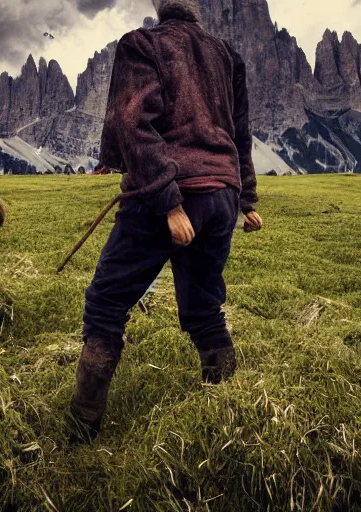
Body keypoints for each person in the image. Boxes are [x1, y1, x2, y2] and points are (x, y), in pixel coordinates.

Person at [68, 0, 262, 443]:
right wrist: (246, 200)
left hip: (171, 195)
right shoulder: (226, 54)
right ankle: (225, 420)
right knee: (203, 308)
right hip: (221, 198)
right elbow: (240, 134)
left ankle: (81, 433)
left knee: (106, 303)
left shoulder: (143, 43)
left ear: (159, 5)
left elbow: (130, 123)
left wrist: (169, 202)